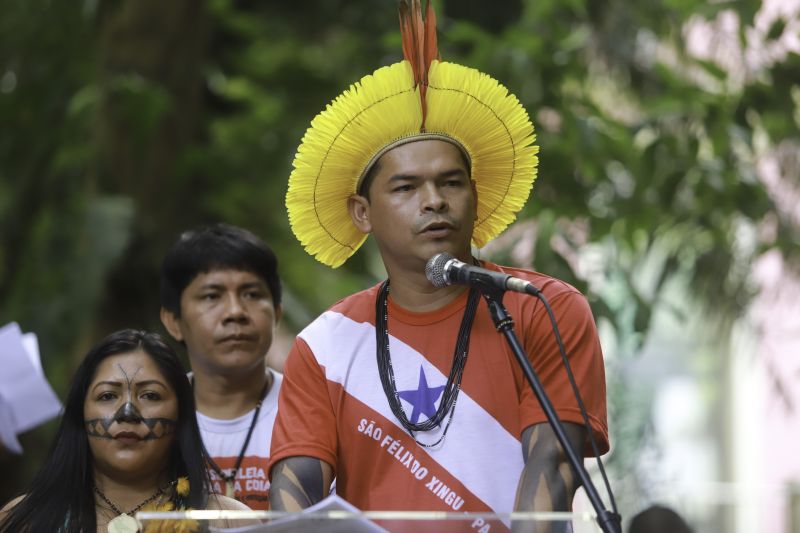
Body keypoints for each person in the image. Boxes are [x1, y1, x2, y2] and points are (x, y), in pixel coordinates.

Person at [269, 0, 609, 527]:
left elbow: (554, 464)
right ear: (362, 213)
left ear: (474, 195)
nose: (435, 201)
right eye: (406, 187)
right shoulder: (324, 346)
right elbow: (293, 509)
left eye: (451, 183)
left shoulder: (545, 309)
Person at [0, 329, 250, 533]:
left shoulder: (231, 523)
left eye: (151, 395)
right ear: (80, 413)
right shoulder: (24, 521)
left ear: (181, 414)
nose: (127, 412)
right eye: (107, 395)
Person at [160, 223, 283, 510]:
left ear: (277, 312)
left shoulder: (313, 412)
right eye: (211, 296)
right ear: (173, 322)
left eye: (252, 294)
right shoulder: (153, 420)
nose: (235, 312)